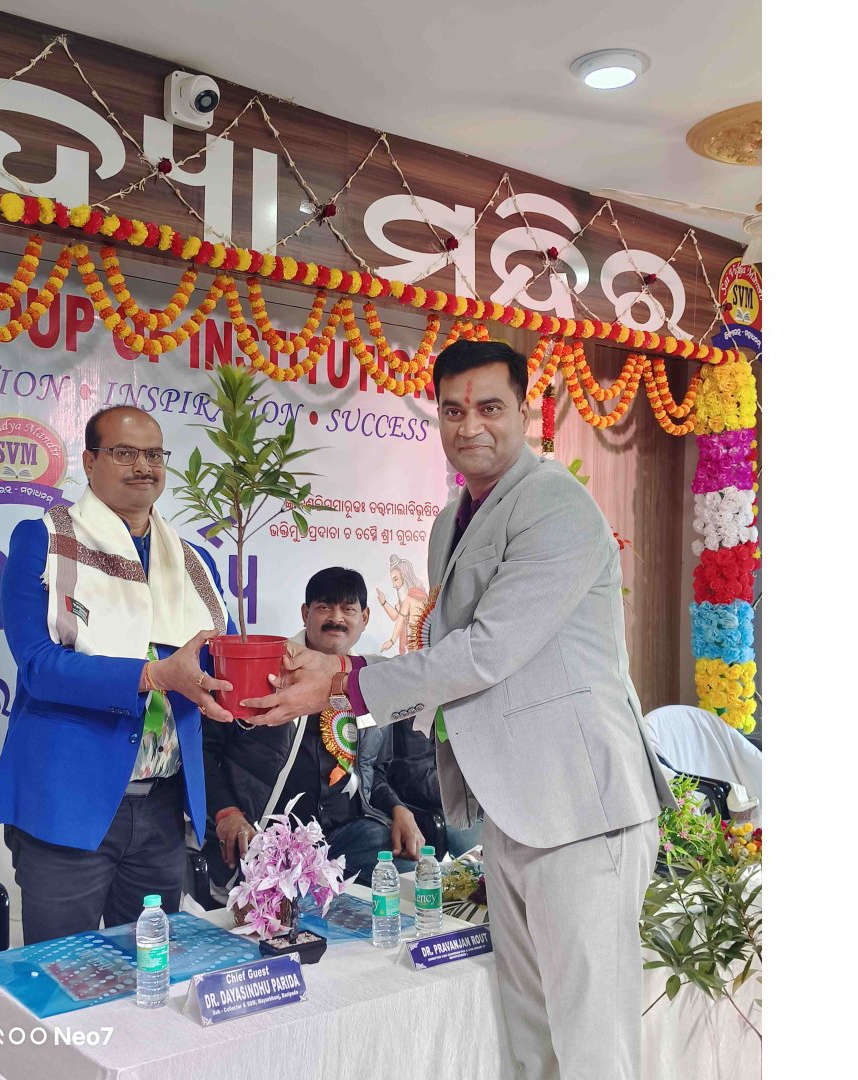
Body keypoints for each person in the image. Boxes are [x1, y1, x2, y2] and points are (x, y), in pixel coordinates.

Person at [242, 340, 674, 1080]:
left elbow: (485, 651)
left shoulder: (556, 505)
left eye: (490, 407)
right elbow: (447, 654)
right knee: (530, 1034)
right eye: (452, 410)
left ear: (526, 412)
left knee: (592, 1044)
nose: (470, 426)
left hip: (581, 806)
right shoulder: (452, 521)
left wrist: (346, 680)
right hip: (512, 805)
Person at [0, 405, 236, 945]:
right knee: (61, 971)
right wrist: (153, 674)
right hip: (68, 799)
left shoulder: (192, 561)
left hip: (163, 806)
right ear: (90, 462)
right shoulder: (43, 540)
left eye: (154, 454)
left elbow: (217, 662)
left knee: (148, 969)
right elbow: (39, 667)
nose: (144, 466)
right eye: (125, 453)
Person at [201, 567, 424, 888]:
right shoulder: (262, 668)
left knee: (409, 875)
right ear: (305, 614)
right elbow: (205, 752)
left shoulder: (371, 683)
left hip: (349, 833)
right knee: (283, 908)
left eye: (348, 609)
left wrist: (398, 807)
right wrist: (227, 812)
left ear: (365, 617)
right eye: (324, 607)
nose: (336, 618)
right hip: (270, 835)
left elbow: (373, 771)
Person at [387, 718, 483, 857]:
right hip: (443, 804)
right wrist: (477, 792)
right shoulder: (412, 709)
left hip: (478, 796)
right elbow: (415, 773)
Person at [376, 554, 429, 654]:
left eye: (395, 579)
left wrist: (391, 641)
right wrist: (383, 602)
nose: (394, 585)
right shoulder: (408, 600)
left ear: (404, 576)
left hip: (418, 645)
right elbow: (395, 616)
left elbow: (400, 621)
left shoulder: (411, 598)